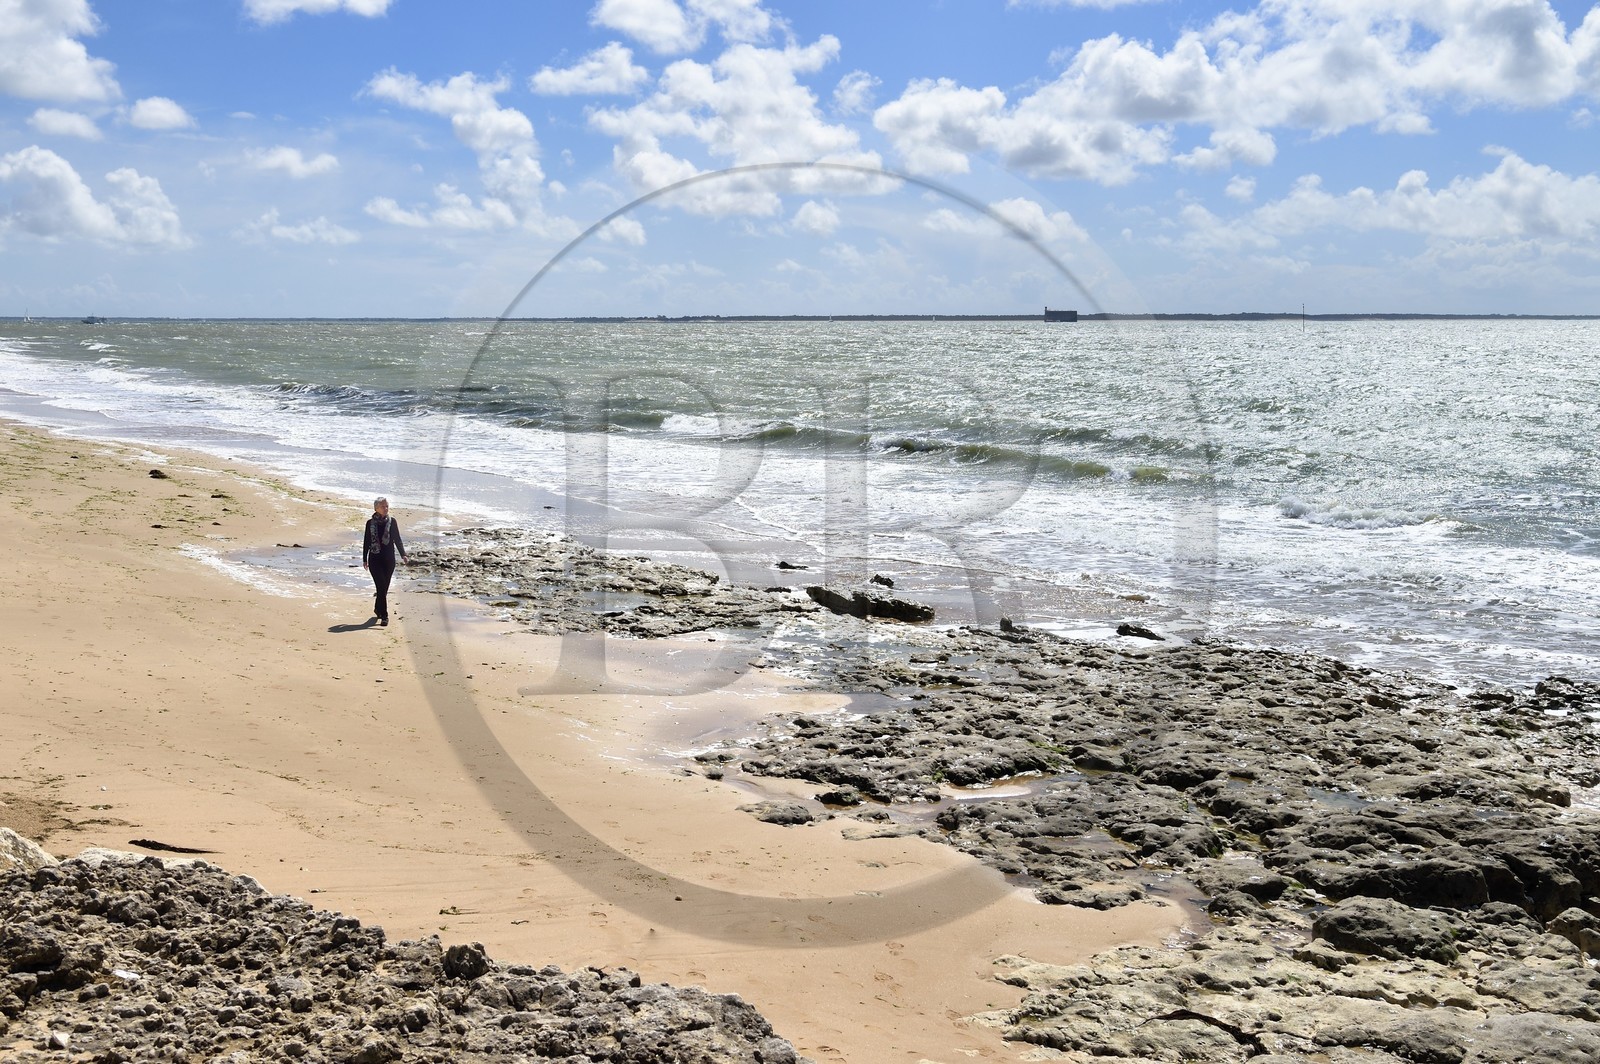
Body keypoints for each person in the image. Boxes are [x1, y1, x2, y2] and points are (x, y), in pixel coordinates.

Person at [362, 497, 408, 626]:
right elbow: (366, 541)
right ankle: (384, 616)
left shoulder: (392, 522)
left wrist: (403, 554)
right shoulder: (370, 523)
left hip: (389, 560)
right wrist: (364, 558)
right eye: (383, 506)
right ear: (376, 508)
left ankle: (378, 608)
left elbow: (397, 539)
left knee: (383, 588)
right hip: (375, 559)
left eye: (387, 506)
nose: (386, 508)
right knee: (381, 586)